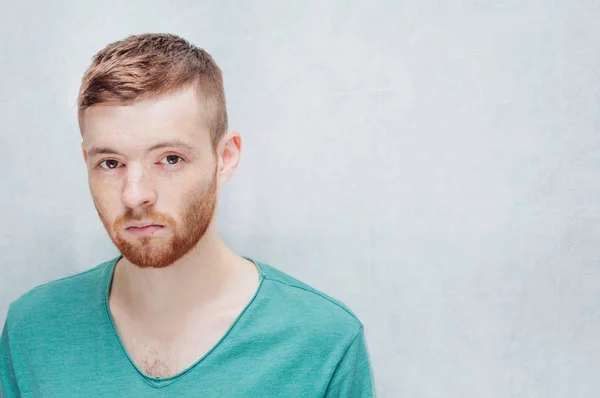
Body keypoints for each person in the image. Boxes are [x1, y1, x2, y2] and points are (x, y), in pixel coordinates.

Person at [0, 33, 375, 397]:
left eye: (170, 159)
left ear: (225, 157)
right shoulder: (32, 329)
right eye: (110, 163)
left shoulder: (324, 343)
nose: (135, 195)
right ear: (86, 162)